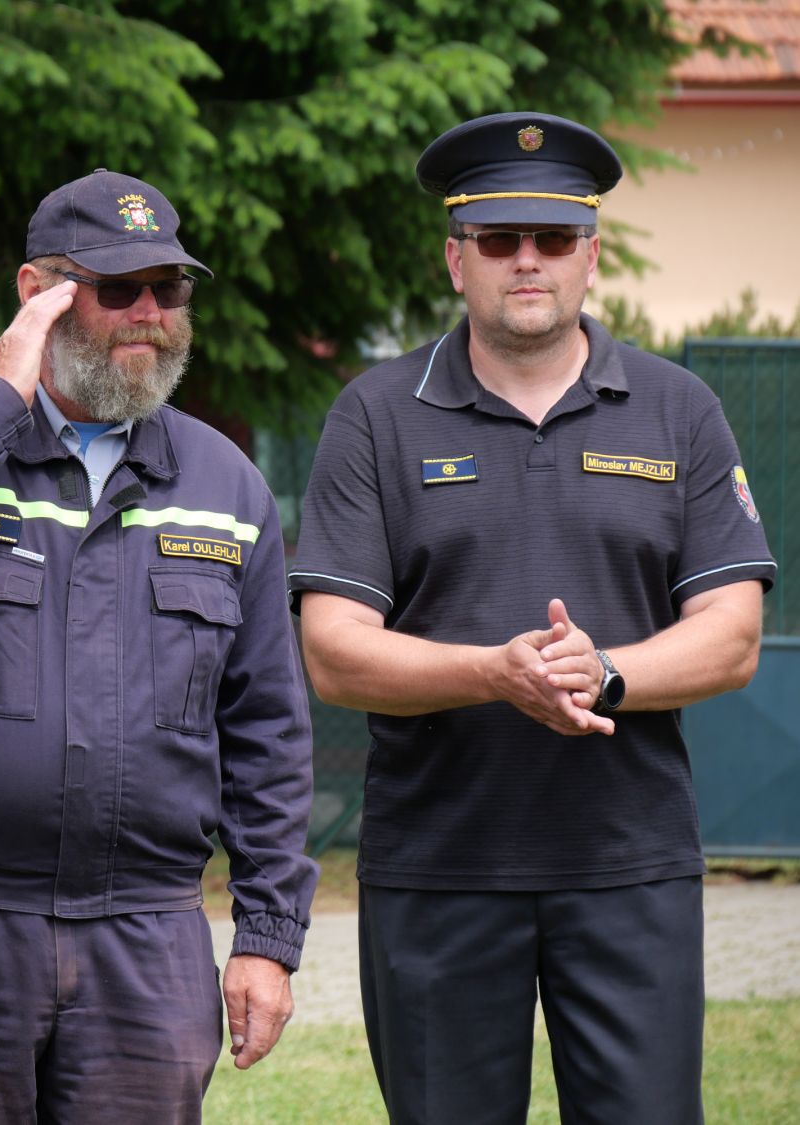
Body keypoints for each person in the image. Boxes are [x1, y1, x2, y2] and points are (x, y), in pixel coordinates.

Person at [288, 111, 777, 1124]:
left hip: (629, 866)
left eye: (553, 238)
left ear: (588, 256)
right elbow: (333, 652)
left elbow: (732, 633)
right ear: (454, 258)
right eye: (499, 239)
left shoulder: (678, 408)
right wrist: (491, 674)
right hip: (438, 870)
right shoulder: (375, 414)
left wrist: (605, 675)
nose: (527, 260)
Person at [0, 168, 318, 1125]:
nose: (149, 313)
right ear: (36, 292)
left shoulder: (224, 485)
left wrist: (267, 935)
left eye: (169, 287)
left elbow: (268, 736)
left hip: (146, 934)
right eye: (117, 288)